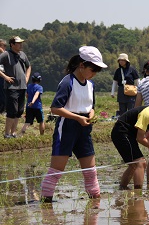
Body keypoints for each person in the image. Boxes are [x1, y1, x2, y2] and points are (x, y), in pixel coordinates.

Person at [40, 46, 108, 202]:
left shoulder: (91, 85)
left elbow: (91, 106)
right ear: (82, 65)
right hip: (68, 126)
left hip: (84, 128)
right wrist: (77, 118)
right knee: (57, 170)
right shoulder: (67, 82)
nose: (95, 74)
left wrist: (91, 114)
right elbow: (55, 108)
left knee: (91, 171)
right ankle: (46, 203)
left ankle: (95, 201)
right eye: (93, 69)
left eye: (97, 71)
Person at [0, 36, 31, 138]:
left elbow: (28, 66)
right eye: (18, 43)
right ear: (12, 44)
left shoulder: (22, 54)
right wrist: (5, 77)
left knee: (19, 111)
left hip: (22, 86)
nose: (21, 45)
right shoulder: (6, 55)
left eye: (21, 43)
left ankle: (13, 133)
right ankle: (7, 133)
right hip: (11, 87)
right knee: (12, 110)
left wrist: (27, 77)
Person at [0, 39, 7, 113]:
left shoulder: (6, 54)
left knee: (4, 95)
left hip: (4, 76)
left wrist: (2, 52)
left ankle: (3, 110)